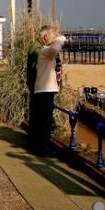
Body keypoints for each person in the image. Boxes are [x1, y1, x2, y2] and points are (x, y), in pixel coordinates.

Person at [26, 25, 67, 155]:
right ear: (46, 37)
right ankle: (42, 148)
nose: (55, 37)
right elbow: (56, 47)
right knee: (44, 121)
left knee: (40, 119)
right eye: (52, 35)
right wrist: (59, 37)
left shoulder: (43, 50)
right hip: (44, 90)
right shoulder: (43, 51)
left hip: (41, 89)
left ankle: (37, 146)